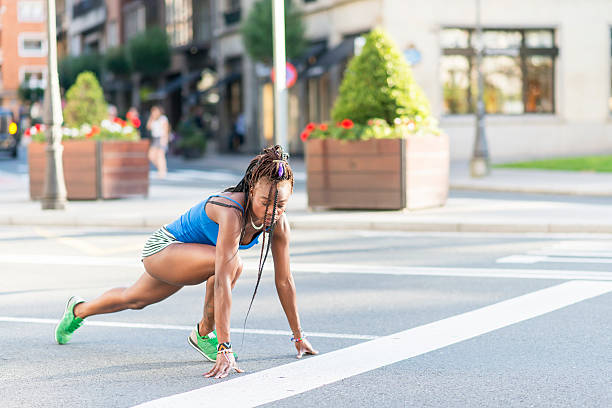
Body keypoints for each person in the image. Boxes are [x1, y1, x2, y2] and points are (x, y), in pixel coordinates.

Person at [54, 145, 318, 379]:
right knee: (232, 264)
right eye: (264, 203)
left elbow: (284, 280)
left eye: (281, 205)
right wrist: (225, 347)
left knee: (134, 298)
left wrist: (298, 335)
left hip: (193, 258)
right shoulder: (231, 212)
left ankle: (78, 310)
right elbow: (224, 279)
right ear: (251, 190)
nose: (273, 211)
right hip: (163, 249)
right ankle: (205, 334)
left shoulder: (279, 223)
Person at [146, 105, 170, 178]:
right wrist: (151, 118)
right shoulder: (153, 119)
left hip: (161, 138)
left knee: (160, 156)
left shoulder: (163, 119)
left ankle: (162, 171)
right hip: (154, 138)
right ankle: (161, 168)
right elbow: (148, 127)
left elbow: (166, 130)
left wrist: (165, 139)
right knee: (151, 155)